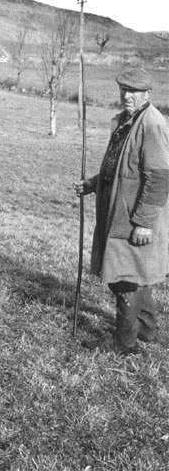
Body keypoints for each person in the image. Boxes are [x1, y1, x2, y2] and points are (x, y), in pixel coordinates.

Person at [75, 68, 169, 355]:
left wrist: (142, 222)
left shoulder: (150, 124)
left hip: (134, 217)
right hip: (119, 212)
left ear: (146, 94)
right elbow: (116, 167)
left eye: (133, 91)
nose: (127, 96)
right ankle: (145, 329)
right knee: (138, 272)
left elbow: (160, 177)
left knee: (125, 277)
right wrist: (91, 184)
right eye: (123, 90)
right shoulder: (127, 122)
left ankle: (124, 344)